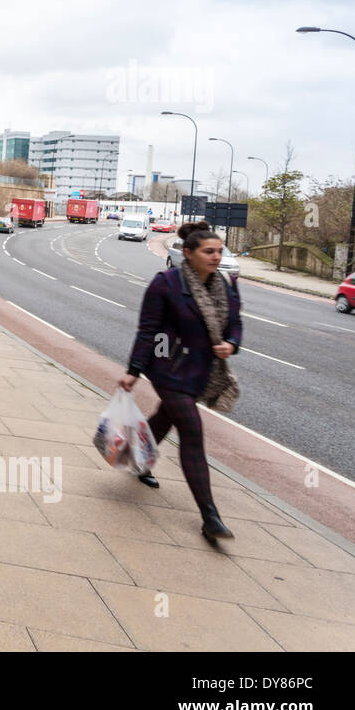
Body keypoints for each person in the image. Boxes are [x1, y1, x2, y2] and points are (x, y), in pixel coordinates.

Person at [118, 221, 242, 541]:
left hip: (202, 370)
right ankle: (209, 516)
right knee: (191, 429)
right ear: (188, 253)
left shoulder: (226, 284)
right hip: (167, 368)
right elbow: (147, 331)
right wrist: (134, 370)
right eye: (208, 252)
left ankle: (136, 459)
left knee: (166, 417)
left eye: (219, 251)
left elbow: (235, 323)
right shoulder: (166, 284)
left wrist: (231, 343)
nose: (216, 257)